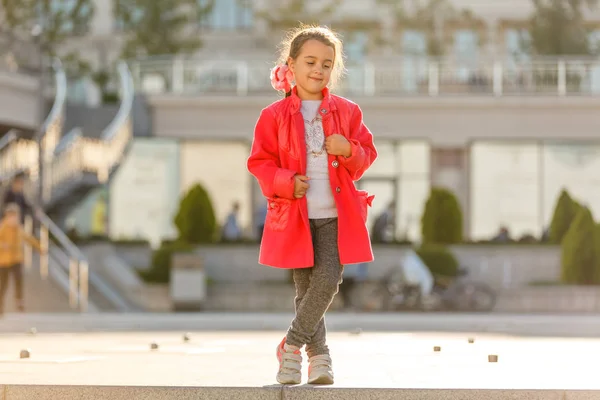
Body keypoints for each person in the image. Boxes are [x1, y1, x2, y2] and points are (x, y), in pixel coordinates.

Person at [247, 24, 377, 385]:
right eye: (310, 62)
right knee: (306, 290)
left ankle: (290, 346)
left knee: (329, 278)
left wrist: (348, 149)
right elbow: (260, 163)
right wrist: (287, 182)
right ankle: (319, 359)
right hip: (295, 215)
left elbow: (366, 155)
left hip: (337, 214)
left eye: (326, 63)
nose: (318, 70)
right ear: (291, 64)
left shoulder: (348, 112)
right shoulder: (272, 116)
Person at [0, 203, 44, 315]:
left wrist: (40, 247)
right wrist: (2, 245)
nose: (13, 220)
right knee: (3, 284)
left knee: (18, 280)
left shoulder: (19, 229)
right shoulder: (3, 228)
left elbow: (29, 238)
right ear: (7, 217)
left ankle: (19, 301)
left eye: (15, 217)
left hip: (16, 259)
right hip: (4, 261)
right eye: (11, 217)